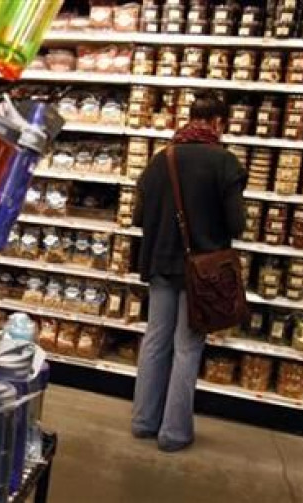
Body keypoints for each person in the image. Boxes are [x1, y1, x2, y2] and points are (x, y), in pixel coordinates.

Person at [131, 91, 247, 452]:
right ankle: (173, 434)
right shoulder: (225, 163)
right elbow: (237, 223)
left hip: (161, 264)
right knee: (187, 347)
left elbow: (138, 217)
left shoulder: (159, 160)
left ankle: (144, 422)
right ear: (218, 123)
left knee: (155, 341)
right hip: (203, 272)